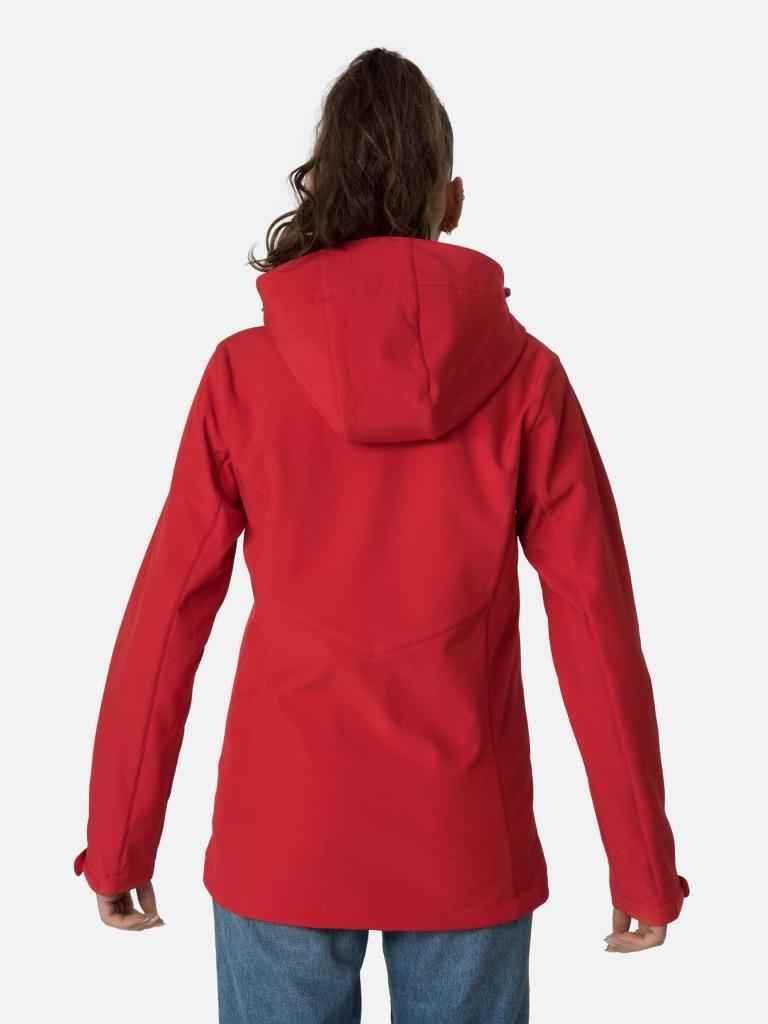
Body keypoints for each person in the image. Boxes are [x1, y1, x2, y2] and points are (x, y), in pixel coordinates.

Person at [73, 46, 689, 1023]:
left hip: (283, 840)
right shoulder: (527, 380)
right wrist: (641, 863)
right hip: (466, 845)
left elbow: (165, 618)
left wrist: (118, 840)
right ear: (451, 202)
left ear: (319, 190)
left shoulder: (243, 375)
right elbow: (596, 629)